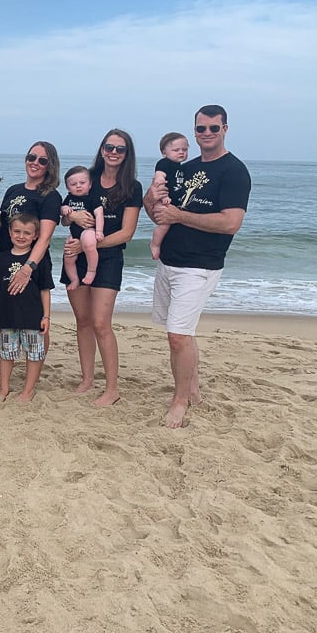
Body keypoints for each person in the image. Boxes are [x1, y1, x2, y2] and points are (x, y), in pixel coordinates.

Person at [144, 105, 250, 428]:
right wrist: (151, 198)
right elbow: (158, 214)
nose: (206, 134)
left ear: (225, 129)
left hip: (201, 266)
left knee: (178, 336)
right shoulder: (182, 169)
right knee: (179, 334)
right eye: (200, 129)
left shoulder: (234, 171)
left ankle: (180, 401)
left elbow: (231, 222)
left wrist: (180, 216)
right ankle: (193, 389)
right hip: (170, 262)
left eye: (213, 128)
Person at [61, 129, 142, 407]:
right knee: (82, 321)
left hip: (107, 258)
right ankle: (87, 379)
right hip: (75, 253)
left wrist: (91, 245)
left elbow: (127, 233)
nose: (114, 152)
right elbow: (64, 216)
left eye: (120, 149)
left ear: (127, 154)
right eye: (109, 147)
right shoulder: (87, 177)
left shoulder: (132, 187)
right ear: (102, 148)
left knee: (100, 323)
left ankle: (112, 388)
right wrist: (72, 216)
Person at [0, 142, 61, 349]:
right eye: (32, 157)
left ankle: (38, 360)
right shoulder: (13, 190)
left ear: (50, 165)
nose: (35, 163)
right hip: (3, 257)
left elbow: (45, 237)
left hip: (32, 263)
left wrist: (28, 268)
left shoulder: (50, 196)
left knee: (37, 315)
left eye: (42, 160)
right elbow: (2, 223)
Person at [0, 214, 51, 401]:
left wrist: (46, 316)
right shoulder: (1, 258)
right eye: (17, 231)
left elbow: (45, 290)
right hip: (6, 315)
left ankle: (27, 390)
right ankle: (4, 388)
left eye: (26, 233)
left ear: (36, 235)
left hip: (32, 316)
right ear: (9, 232)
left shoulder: (39, 260)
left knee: (33, 354)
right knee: (6, 354)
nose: (21, 236)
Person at [60, 166, 105, 290]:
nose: (78, 186)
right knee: (68, 257)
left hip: (89, 230)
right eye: (73, 184)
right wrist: (64, 209)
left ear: (90, 184)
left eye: (82, 183)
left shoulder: (92, 198)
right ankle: (74, 280)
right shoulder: (69, 199)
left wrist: (99, 231)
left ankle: (91, 271)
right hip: (74, 234)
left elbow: (99, 214)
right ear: (68, 187)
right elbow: (62, 212)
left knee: (89, 244)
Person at [148, 132, 190, 260]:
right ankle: (155, 244)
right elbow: (159, 180)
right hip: (163, 201)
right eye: (176, 150)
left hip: (172, 202)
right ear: (164, 152)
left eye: (184, 149)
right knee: (164, 224)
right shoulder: (164, 163)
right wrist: (163, 196)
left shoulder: (181, 167)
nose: (181, 152)